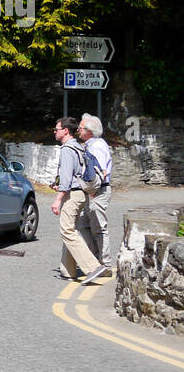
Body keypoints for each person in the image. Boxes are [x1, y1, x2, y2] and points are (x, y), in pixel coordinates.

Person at [50, 116, 102, 282]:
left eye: (56, 129)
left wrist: (58, 199)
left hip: (72, 194)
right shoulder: (79, 147)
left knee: (67, 231)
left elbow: (66, 178)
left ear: (65, 130)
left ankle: (93, 267)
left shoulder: (67, 149)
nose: (54, 132)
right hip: (81, 193)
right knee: (70, 229)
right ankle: (68, 271)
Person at [77, 113, 113, 277]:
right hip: (93, 192)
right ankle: (94, 262)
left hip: (97, 191)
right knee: (83, 226)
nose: (78, 129)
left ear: (89, 131)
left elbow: (99, 173)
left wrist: (92, 192)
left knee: (98, 228)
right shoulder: (91, 144)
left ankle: (104, 265)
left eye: (81, 127)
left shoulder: (97, 146)